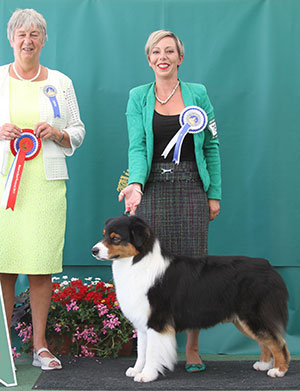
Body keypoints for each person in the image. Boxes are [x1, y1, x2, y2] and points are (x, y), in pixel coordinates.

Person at [119, 30, 221, 373]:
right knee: (151, 275)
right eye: (156, 52)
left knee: (193, 270)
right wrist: (134, 184)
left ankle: (191, 348)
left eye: (169, 51)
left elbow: (211, 146)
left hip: (192, 187)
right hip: (153, 192)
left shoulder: (198, 94)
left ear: (180, 57)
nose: (163, 57)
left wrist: (214, 193)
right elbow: (136, 146)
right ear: (149, 59)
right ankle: (148, 353)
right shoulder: (137, 97)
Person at [0, 9, 85, 370]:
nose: (28, 40)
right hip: (4, 186)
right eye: (21, 34)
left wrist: (59, 133)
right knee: (2, 267)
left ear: (44, 40)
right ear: (10, 38)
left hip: (46, 186)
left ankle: (39, 345)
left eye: (35, 34)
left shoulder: (61, 83)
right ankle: (4, 349)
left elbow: (79, 130)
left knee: (40, 267)